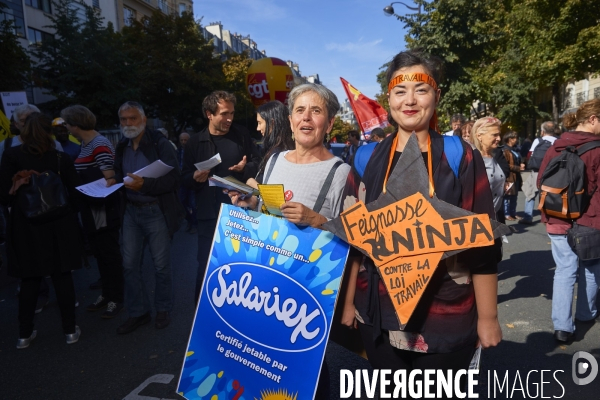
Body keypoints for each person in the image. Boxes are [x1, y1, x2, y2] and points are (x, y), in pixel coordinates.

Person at [340, 50, 501, 392]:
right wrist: (350, 302)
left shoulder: (461, 155)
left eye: (421, 89)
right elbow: (353, 237)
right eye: (400, 91)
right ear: (389, 99)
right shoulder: (367, 157)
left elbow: (484, 243)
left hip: (444, 316)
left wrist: (488, 319)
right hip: (378, 316)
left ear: (437, 95)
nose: (410, 100)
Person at [228, 83, 351, 400]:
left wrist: (317, 220)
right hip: (265, 283)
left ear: (330, 122)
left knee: (305, 371)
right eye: (300, 110)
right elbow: (263, 212)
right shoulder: (273, 162)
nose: (307, 118)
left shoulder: (342, 173)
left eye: (316, 111)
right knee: (260, 363)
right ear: (290, 119)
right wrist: (247, 206)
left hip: (307, 293)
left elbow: (358, 235)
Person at [0, 112, 83, 348]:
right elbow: (75, 193)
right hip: (59, 224)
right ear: (50, 132)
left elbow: (3, 195)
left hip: (25, 226)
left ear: (24, 132)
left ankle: (24, 335)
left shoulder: (11, 155)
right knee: (62, 276)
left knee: (29, 280)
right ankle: (69, 331)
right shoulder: (59, 157)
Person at [110, 101, 184, 334]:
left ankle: (162, 309)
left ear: (143, 120)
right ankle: (138, 313)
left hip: (155, 211)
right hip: (131, 211)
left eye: (133, 118)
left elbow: (174, 179)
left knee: (161, 266)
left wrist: (146, 185)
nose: (128, 123)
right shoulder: (121, 145)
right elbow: (121, 175)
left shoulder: (159, 143)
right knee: (129, 265)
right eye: (124, 119)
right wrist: (113, 181)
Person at [181, 91, 260, 303]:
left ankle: (234, 313)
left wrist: (246, 167)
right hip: (208, 213)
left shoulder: (241, 135)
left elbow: (257, 163)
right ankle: (202, 312)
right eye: (224, 114)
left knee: (239, 265)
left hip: (239, 211)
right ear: (209, 114)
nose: (230, 119)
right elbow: (184, 177)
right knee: (206, 264)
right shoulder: (195, 142)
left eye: (232, 113)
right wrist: (194, 177)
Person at [538, 98, 600, 342]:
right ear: (593, 120)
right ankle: (586, 313)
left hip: (556, 217)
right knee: (592, 268)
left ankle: (562, 327)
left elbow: (541, 181)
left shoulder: (557, 146)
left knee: (565, 270)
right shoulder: (597, 149)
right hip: (588, 220)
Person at [61, 105, 124, 319]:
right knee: (100, 252)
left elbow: (109, 177)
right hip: (90, 205)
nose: (66, 128)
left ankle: (116, 297)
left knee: (108, 253)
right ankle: (108, 294)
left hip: (101, 207)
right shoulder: (87, 143)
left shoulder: (99, 143)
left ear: (76, 124)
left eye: (67, 123)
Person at [246, 100, 294, 188]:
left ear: (272, 123)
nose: (258, 128)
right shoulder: (286, 147)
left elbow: (274, 190)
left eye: (260, 123)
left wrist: (252, 183)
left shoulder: (278, 153)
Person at [520, 121, 558, 224]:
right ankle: (547, 217)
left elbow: (530, 154)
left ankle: (528, 217)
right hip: (552, 172)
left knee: (530, 194)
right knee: (548, 195)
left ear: (542, 131)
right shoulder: (557, 141)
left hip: (537, 171)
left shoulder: (538, 140)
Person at [471, 117, 507, 223]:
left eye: (499, 134)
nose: (499, 138)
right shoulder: (471, 159)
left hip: (494, 218)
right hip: (477, 222)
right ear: (479, 136)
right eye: (494, 135)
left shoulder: (494, 156)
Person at [177, 131, 197, 234]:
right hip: (181, 181)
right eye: (182, 140)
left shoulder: (194, 150)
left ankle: (193, 224)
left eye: (186, 140)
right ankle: (190, 221)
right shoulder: (178, 151)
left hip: (192, 180)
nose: (184, 142)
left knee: (193, 204)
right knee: (181, 203)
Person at [501, 131, 523, 221]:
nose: (516, 140)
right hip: (509, 176)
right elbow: (505, 164)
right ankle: (506, 214)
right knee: (507, 196)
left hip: (516, 176)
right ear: (509, 139)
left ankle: (513, 212)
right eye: (514, 138)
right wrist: (518, 168)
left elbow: (517, 159)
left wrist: (521, 164)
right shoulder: (505, 150)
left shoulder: (514, 149)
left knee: (515, 196)